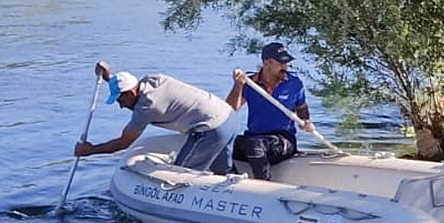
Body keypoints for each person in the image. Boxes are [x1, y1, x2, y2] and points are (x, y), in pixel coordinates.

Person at [75, 61, 237, 175]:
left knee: (179, 175)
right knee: (222, 171)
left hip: (211, 129)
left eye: (120, 100)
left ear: (131, 93)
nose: (121, 106)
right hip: (229, 117)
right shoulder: (153, 80)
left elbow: (124, 142)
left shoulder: (146, 108)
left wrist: (91, 150)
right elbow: (128, 85)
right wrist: (108, 77)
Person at [226, 42, 315, 180]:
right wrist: (238, 86)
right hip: (254, 136)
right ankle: (233, 180)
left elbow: (302, 108)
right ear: (267, 63)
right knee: (222, 142)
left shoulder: (294, 83)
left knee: (255, 145)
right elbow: (230, 109)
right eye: (281, 63)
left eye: (287, 63)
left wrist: (306, 121)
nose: (285, 67)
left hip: (283, 139)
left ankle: (264, 185)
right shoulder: (250, 83)